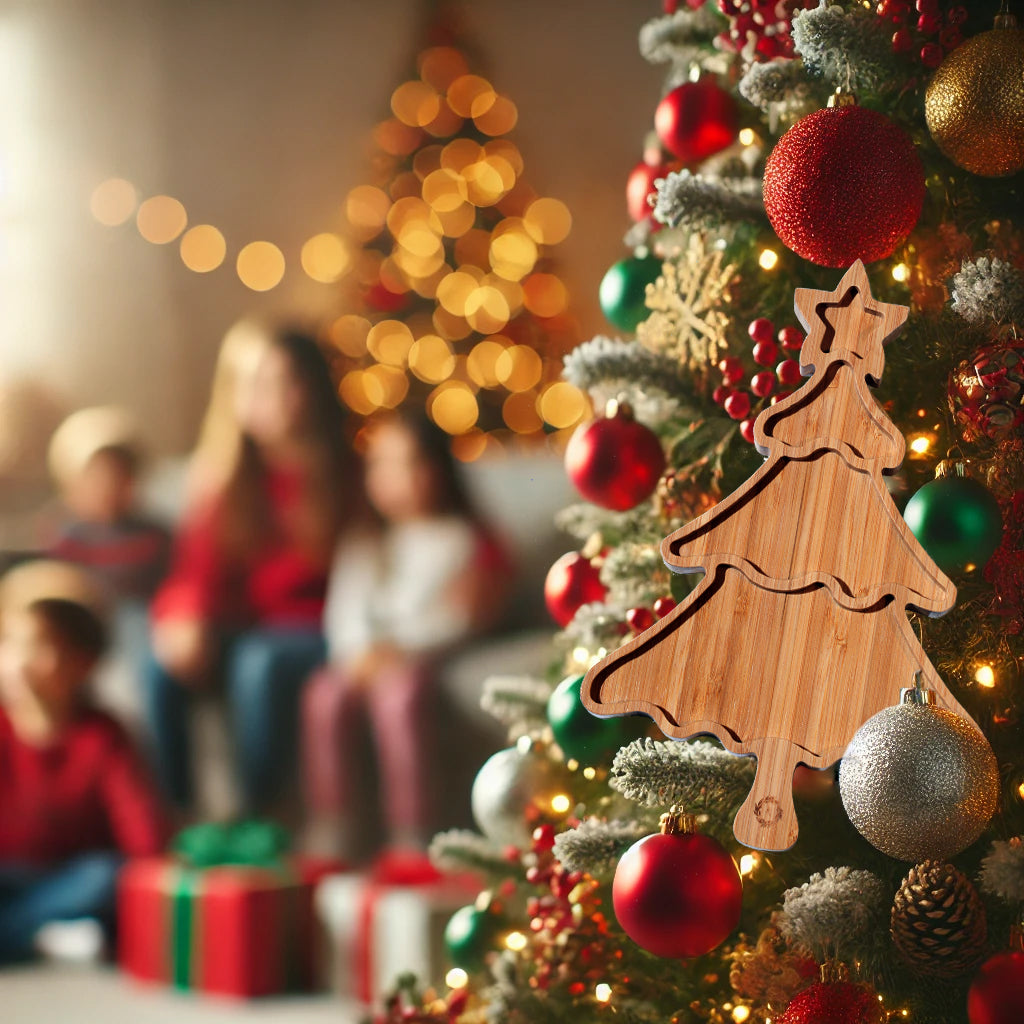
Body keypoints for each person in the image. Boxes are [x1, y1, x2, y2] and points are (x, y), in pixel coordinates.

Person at [143, 321, 350, 816]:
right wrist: (184, 619)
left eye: (287, 382)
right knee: (159, 665)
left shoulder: (347, 476)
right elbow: (193, 574)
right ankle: (180, 815)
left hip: (314, 631)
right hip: (244, 628)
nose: (273, 399)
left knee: (260, 662)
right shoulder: (223, 478)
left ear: (315, 389)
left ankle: (255, 815)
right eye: (255, 385)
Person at [303, 410, 509, 862]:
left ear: (436, 469)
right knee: (324, 696)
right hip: (363, 659)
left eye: (410, 463)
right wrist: (355, 653)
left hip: (417, 661)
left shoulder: (465, 540)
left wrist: (402, 651)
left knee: (399, 699)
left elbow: (459, 617)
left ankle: (411, 833)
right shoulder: (365, 543)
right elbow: (345, 611)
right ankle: (335, 827)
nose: (397, 478)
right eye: (383, 465)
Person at [0, 561, 165, 964]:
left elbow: (140, 825)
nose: (20, 662)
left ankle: (20, 935)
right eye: (9, 643)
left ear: (82, 662)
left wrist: (158, 863)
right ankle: (42, 936)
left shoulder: (102, 734)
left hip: (69, 877)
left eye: (39, 645)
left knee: (106, 876)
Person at [46, 406, 171, 603]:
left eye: (117, 475)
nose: (107, 486)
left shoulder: (156, 537)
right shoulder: (63, 540)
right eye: (96, 477)